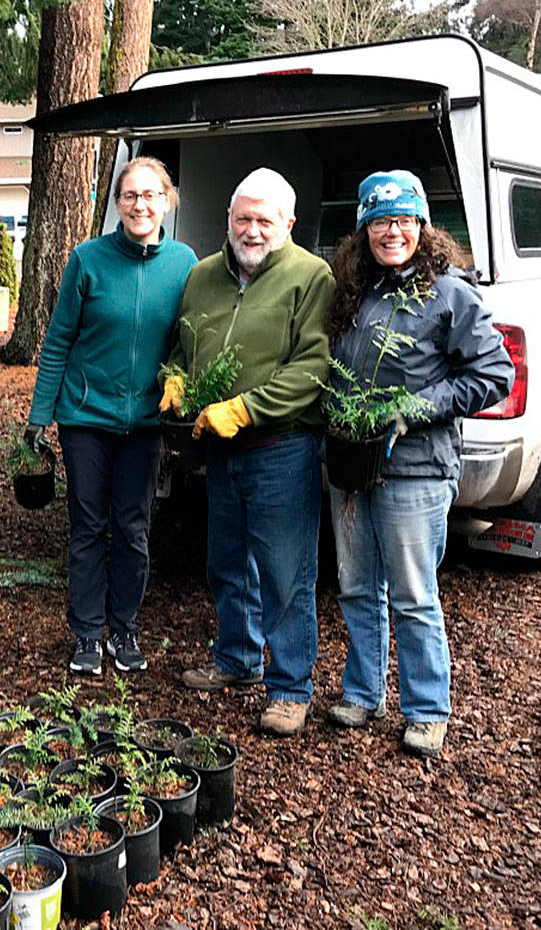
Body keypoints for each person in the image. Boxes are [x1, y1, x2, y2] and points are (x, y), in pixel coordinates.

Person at [324, 170, 513, 757]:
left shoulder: (449, 292)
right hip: (351, 464)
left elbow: (493, 376)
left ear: (423, 226)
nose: (393, 231)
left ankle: (428, 708)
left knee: (412, 593)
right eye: (380, 220)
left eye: (404, 220)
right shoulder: (352, 290)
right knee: (356, 586)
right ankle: (363, 691)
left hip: (415, 466)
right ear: (363, 230)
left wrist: (414, 408)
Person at [165, 167, 334, 737]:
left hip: (281, 446)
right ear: (228, 220)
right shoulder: (204, 276)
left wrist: (245, 409)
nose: (253, 230)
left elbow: (312, 368)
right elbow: (182, 344)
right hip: (218, 448)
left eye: (266, 220)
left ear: (288, 223)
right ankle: (236, 657)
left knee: (287, 572)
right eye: (244, 219)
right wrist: (177, 379)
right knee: (226, 561)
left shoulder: (312, 278)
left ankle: (290, 687)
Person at [25, 156, 197, 676]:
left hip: (145, 424)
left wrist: (182, 395)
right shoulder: (88, 259)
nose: (140, 204)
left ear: (167, 199)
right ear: (117, 204)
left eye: (150, 195)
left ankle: (124, 627)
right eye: (130, 196)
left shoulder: (185, 263)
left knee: (133, 529)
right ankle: (85, 633)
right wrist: (40, 413)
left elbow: (189, 343)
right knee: (87, 526)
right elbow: (57, 341)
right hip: (86, 417)